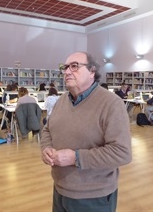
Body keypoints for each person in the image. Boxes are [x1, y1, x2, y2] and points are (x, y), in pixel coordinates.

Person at [40, 52, 132, 212]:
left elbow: (122, 153)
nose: (67, 71)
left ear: (92, 71)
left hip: (92, 197)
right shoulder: (62, 100)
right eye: (65, 67)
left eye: (74, 66)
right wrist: (46, 148)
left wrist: (75, 158)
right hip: (60, 188)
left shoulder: (111, 104)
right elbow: (48, 129)